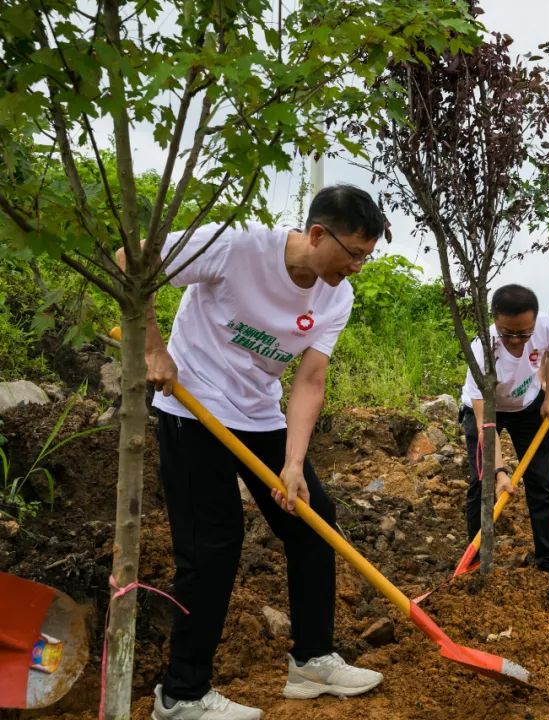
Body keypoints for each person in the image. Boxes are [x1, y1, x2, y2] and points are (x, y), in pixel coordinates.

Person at [131, 185, 389, 720]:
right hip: (192, 408)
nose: (357, 267)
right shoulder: (238, 246)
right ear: (317, 234)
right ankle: (181, 696)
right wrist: (153, 348)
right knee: (212, 543)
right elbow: (133, 260)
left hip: (259, 414)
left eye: (366, 257)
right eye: (354, 254)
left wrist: (293, 465)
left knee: (313, 521)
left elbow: (310, 381)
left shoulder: (335, 296)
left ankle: (312, 661)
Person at [460, 284, 549, 586]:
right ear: (495, 320)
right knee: (481, 484)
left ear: (534, 321)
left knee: (541, 483)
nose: (515, 341)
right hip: (486, 409)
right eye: (507, 333)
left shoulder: (546, 327)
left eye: (524, 334)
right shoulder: (482, 351)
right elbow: (485, 424)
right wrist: (499, 471)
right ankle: (474, 563)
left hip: (527, 405)